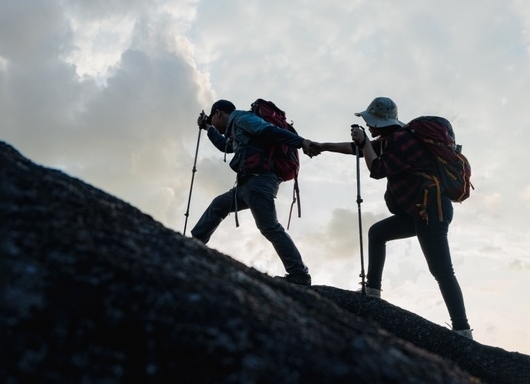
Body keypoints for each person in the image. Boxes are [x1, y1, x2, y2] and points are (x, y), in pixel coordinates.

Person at [311, 97, 473, 339]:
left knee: (441, 269)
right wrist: (322, 145)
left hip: (431, 210)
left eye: (369, 122)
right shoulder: (389, 140)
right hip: (418, 210)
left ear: (378, 121)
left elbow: (376, 169)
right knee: (377, 233)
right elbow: (358, 149)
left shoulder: (402, 140)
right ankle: (373, 292)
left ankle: (462, 330)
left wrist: (365, 142)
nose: (368, 126)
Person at [191, 99, 318, 286]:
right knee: (219, 205)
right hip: (247, 184)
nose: (215, 125)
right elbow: (225, 146)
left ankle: (299, 274)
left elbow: (270, 131)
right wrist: (208, 127)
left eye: (213, 119)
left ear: (218, 113)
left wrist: (302, 142)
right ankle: (193, 245)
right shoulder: (237, 127)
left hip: (259, 182)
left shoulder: (242, 118)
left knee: (269, 227)